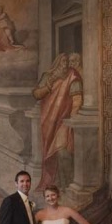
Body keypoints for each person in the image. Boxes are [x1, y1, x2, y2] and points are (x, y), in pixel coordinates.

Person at [33, 53, 83, 190]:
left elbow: (77, 100)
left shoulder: (73, 76)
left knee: (63, 151)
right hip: (48, 121)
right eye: (62, 62)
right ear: (56, 64)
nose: (65, 65)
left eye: (67, 62)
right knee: (52, 152)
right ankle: (56, 182)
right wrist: (48, 85)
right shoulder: (48, 76)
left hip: (65, 121)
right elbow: (36, 94)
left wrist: (72, 119)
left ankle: (66, 184)